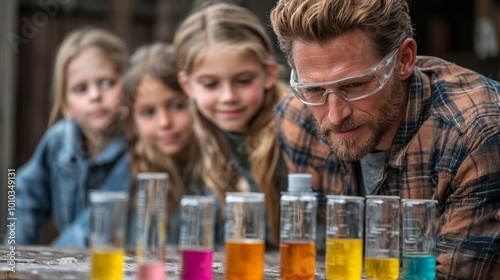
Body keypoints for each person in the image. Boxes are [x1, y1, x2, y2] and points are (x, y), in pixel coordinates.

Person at [269, 0, 500, 278]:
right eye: (315, 89)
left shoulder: (476, 132)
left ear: (404, 60)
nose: (334, 115)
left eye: (355, 85)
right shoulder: (297, 120)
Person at [173, 2, 288, 247]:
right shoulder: (191, 134)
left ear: (268, 74)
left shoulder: (294, 129)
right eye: (210, 84)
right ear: (187, 85)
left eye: (243, 80)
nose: (228, 97)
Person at [10, 27, 130, 246]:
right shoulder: (57, 141)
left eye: (107, 83)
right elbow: (26, 201)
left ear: (128, 86)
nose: (95, 95)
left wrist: (51, 264)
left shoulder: (138, 149)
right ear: (66, 105)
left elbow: (92, 229)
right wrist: (12, 260)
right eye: (81, 88)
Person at [122, 42, 208, 246]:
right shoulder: (127, 172)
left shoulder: (216, 166)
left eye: (177, 105)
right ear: (133, 122)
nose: (165, 123)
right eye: (148, 112)